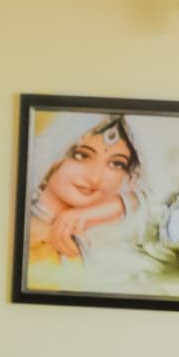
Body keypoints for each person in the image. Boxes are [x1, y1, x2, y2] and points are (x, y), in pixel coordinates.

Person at [26, 114, 142, 266]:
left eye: (116, 164)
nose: (95, 178)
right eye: (81, 156)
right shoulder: (22, 231)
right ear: (53, 156)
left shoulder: (104, 239)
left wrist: (99, 211)